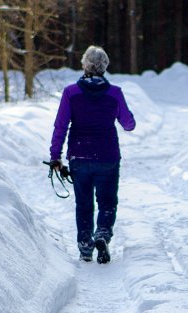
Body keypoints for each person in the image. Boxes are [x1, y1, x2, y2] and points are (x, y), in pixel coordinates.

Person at [49, 46, 136, 262]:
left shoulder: (71, 93)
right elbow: (129, 124)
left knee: (84, 203)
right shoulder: (114, 93)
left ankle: (85, 245)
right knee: (107, 202)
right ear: (104, 67)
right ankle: (103, 234)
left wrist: (55, 156)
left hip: (79, 156)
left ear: (85, 65)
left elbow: (60, 126)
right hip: (107, 156)